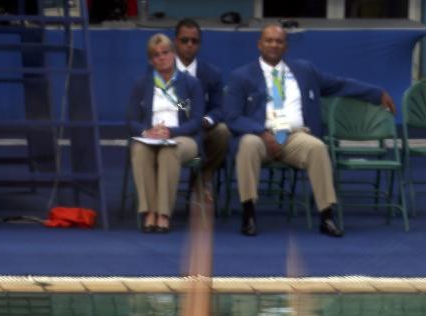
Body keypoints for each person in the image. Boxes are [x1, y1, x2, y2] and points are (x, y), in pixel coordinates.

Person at [224, 23, 396, 237]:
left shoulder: (304, 71)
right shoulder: (241, 76)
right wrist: (262, 133)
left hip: (295, 136)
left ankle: (326, 216)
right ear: (259, 45)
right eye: (269, 40)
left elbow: (340, 84)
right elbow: (232, 117)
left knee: (317, 147)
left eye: (279, 41)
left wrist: (377, 93)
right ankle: (248, 213)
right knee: (247, 145)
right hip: (260, 137)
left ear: (286, 47)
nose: (274, 45)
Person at [126, 34, 205, 233]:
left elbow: (195, 120)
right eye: (155, 55)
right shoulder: (142, 84)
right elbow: (131, 120)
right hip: (150, 137)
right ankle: (149, 211)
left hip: (183, 138)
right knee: (139, 150)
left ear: (173, 54)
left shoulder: (189, 83)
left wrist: (172, 132)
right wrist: (147, 131)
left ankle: (163, 213)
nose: (161, 58)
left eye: (165, 53)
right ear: (150, 60)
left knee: (169, 152)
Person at [173, 18, 231, 189]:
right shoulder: (162, 69)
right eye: (184, 40)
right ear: (176, 41)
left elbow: (219, 107)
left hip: (201, 129)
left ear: (199, 44)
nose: (189, 44)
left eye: (194, 41)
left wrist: (206, 119)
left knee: (223, 131)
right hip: (170, 128)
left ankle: (203, 176)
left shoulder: (212, 73)